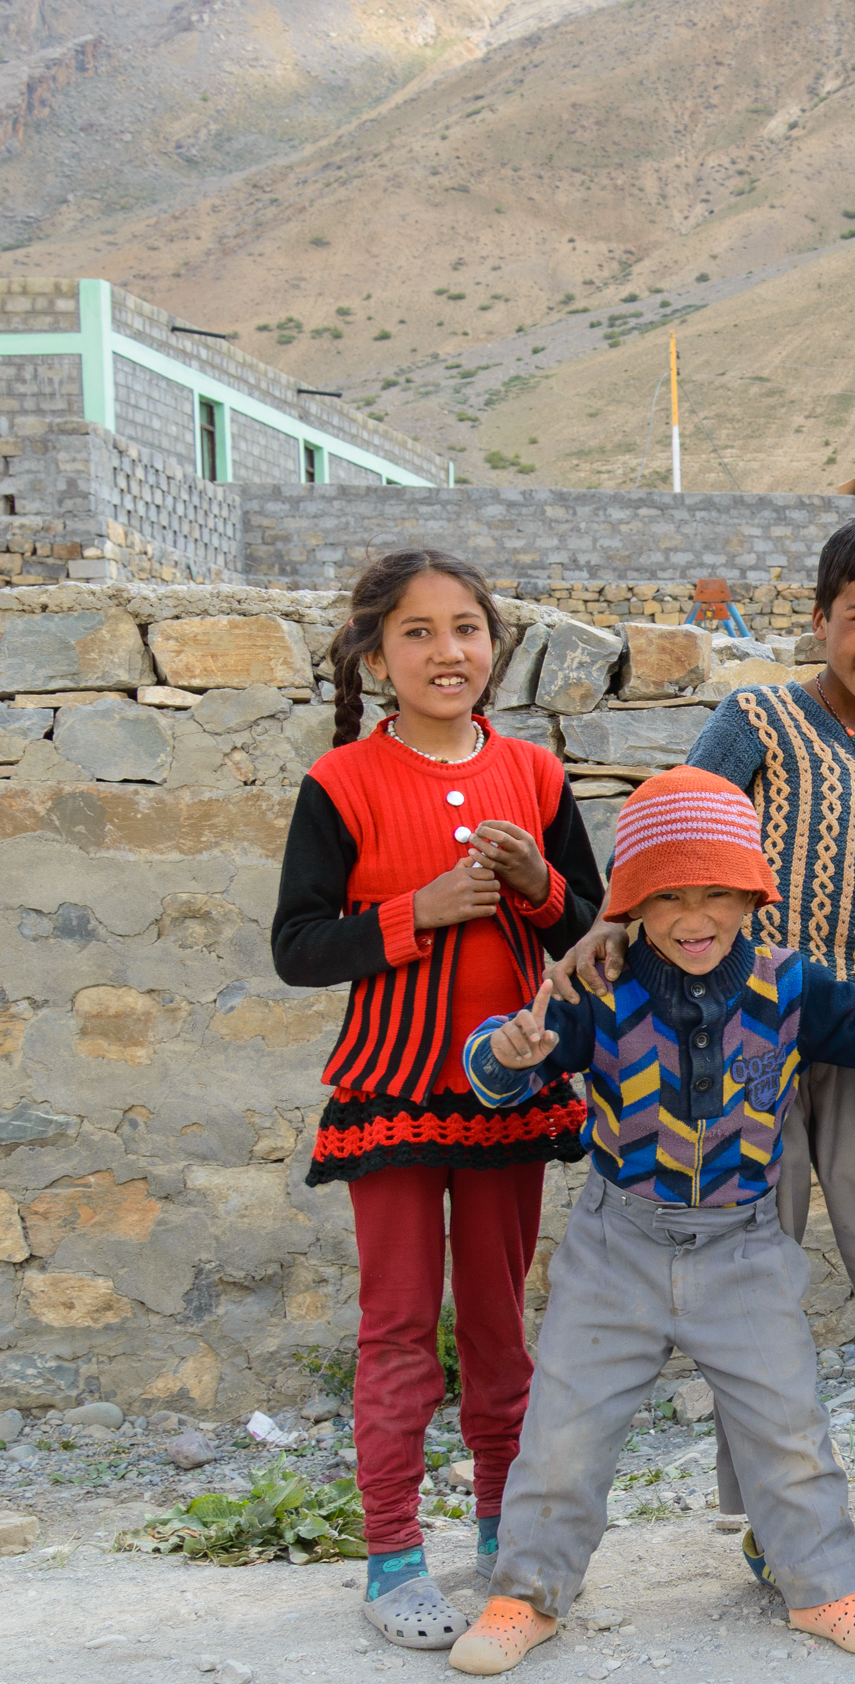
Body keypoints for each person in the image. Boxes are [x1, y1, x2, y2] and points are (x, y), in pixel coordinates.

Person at [549, 515, 855, 1577]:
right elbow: (674, 830)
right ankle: (772, 1508)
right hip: (736, 1041)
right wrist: (613, 928)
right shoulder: (756, 718)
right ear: (819, 619)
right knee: (746, 1274)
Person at [445, 768, 855, 1674]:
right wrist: (507, 1054)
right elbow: (503, 1065)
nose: (694, 917)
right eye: (668, 896)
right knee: (563, 1432)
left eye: (717, 893)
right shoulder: (597, 987)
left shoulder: (789, 984)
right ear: (632, 905)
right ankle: (526, 1594)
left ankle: (822, 1585)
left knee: (788, 1428)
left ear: (753, 896)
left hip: (745, 1252)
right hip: (616, 1250)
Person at [269, 548, 603, 1652]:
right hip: (393, 1097)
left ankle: (508, 1538)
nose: (446, 650)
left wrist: (538, 887)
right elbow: (297, 947)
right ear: (375, 657)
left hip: (509, 1094)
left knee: (503, 1328)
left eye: (466, 628)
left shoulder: (537, 776)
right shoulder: (342, 784)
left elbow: (594, 933)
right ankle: (393, 1558)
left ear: (494, 645)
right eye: (416, 632)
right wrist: (418, 911)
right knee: (402, 1327)